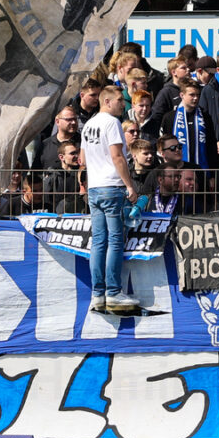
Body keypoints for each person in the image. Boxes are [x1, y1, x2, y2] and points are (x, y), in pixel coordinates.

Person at [82, 85, 139, 313]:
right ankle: (113, 292)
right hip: (111, 186)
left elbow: (82, 159)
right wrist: (129, 185)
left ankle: (98, 293)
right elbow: (118, 157)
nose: (123, 104)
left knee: (98, 241)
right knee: (115, 240)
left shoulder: (88, 124)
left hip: (94, 187)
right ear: (107, 102)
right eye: (119, 101)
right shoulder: (111, 123)